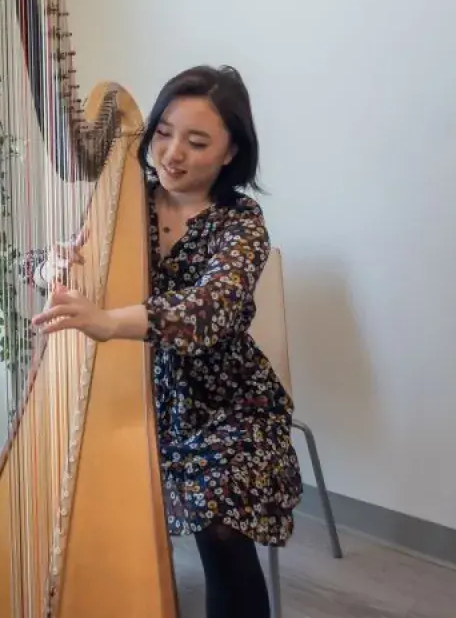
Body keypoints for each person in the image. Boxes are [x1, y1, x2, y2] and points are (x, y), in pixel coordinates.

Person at [25, 65, 303, 618]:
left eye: (197, 141)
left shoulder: (241, 222)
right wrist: (51, 268)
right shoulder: (124, 203)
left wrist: (109, 321)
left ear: (229, 152)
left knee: (221, 523)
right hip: (138, 391)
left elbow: (210, 310)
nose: (172, 154)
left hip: (225, 401)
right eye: (163, 133)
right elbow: (34, 262)